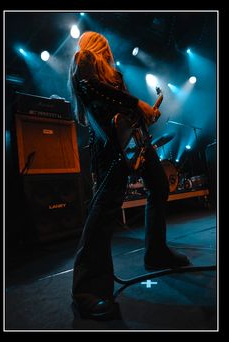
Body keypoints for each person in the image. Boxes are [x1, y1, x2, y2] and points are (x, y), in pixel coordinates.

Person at [68, 31, 190, 320]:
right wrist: (138, 105)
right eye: (106, 47)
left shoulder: (115, 74)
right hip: (110, 148)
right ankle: (86, 289)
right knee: (105, 208)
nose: (109, 51)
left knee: (159, 186)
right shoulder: (84, 60)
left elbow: (122, 108)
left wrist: (144, 115)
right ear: (99, 45)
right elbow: (97, 92)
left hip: (135, 142)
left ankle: (156, 252)